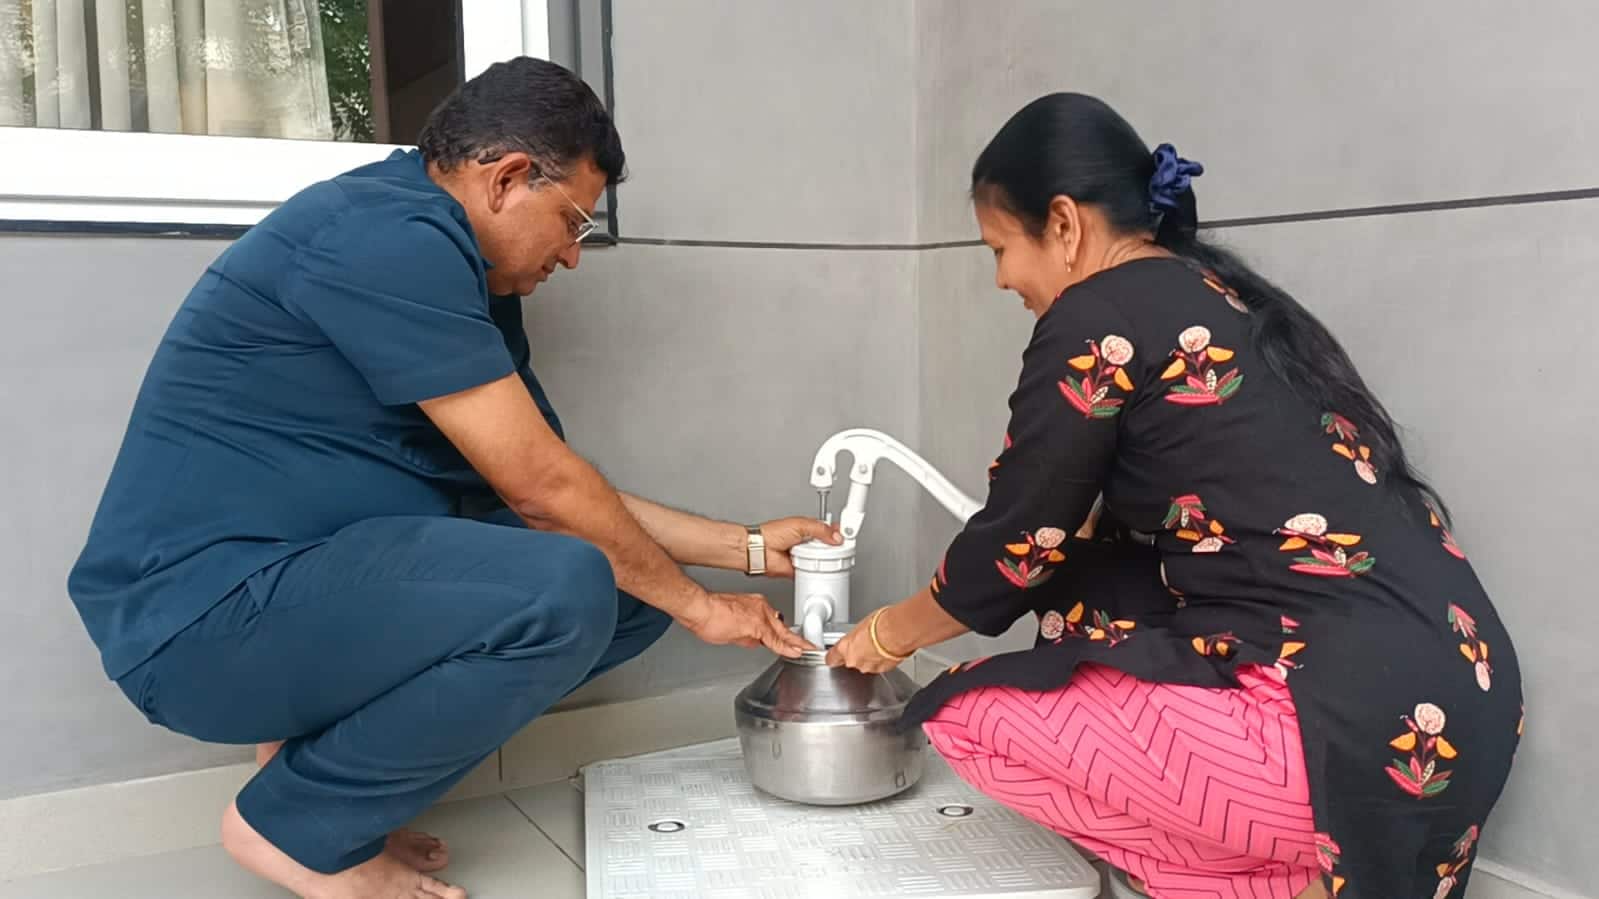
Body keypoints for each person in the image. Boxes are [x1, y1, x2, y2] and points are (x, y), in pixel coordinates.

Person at [68, 57, 834, 899]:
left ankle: (312, 782)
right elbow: (542, 491)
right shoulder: (385, 235)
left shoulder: (465, 274)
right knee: (577, 580)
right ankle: (285, 826)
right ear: (506, 178)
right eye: (573, 221)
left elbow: (567, 495)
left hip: (297, 592)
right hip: (197, 624)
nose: (572, 257)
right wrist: (701, 608)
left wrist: (750, 548)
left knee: (621, 587)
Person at [827, 93, 1521, 899]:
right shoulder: (1223, 300)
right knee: (1084, 605)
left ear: (1062, 223)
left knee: (965, 714)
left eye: (1000, 248)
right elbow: (1072, 545)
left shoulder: (1095, 314)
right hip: (1460, 708)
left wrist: (883, 636)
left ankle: (1272, 879)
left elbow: (1016, 547)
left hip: (1344, 734)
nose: (1001, 279)